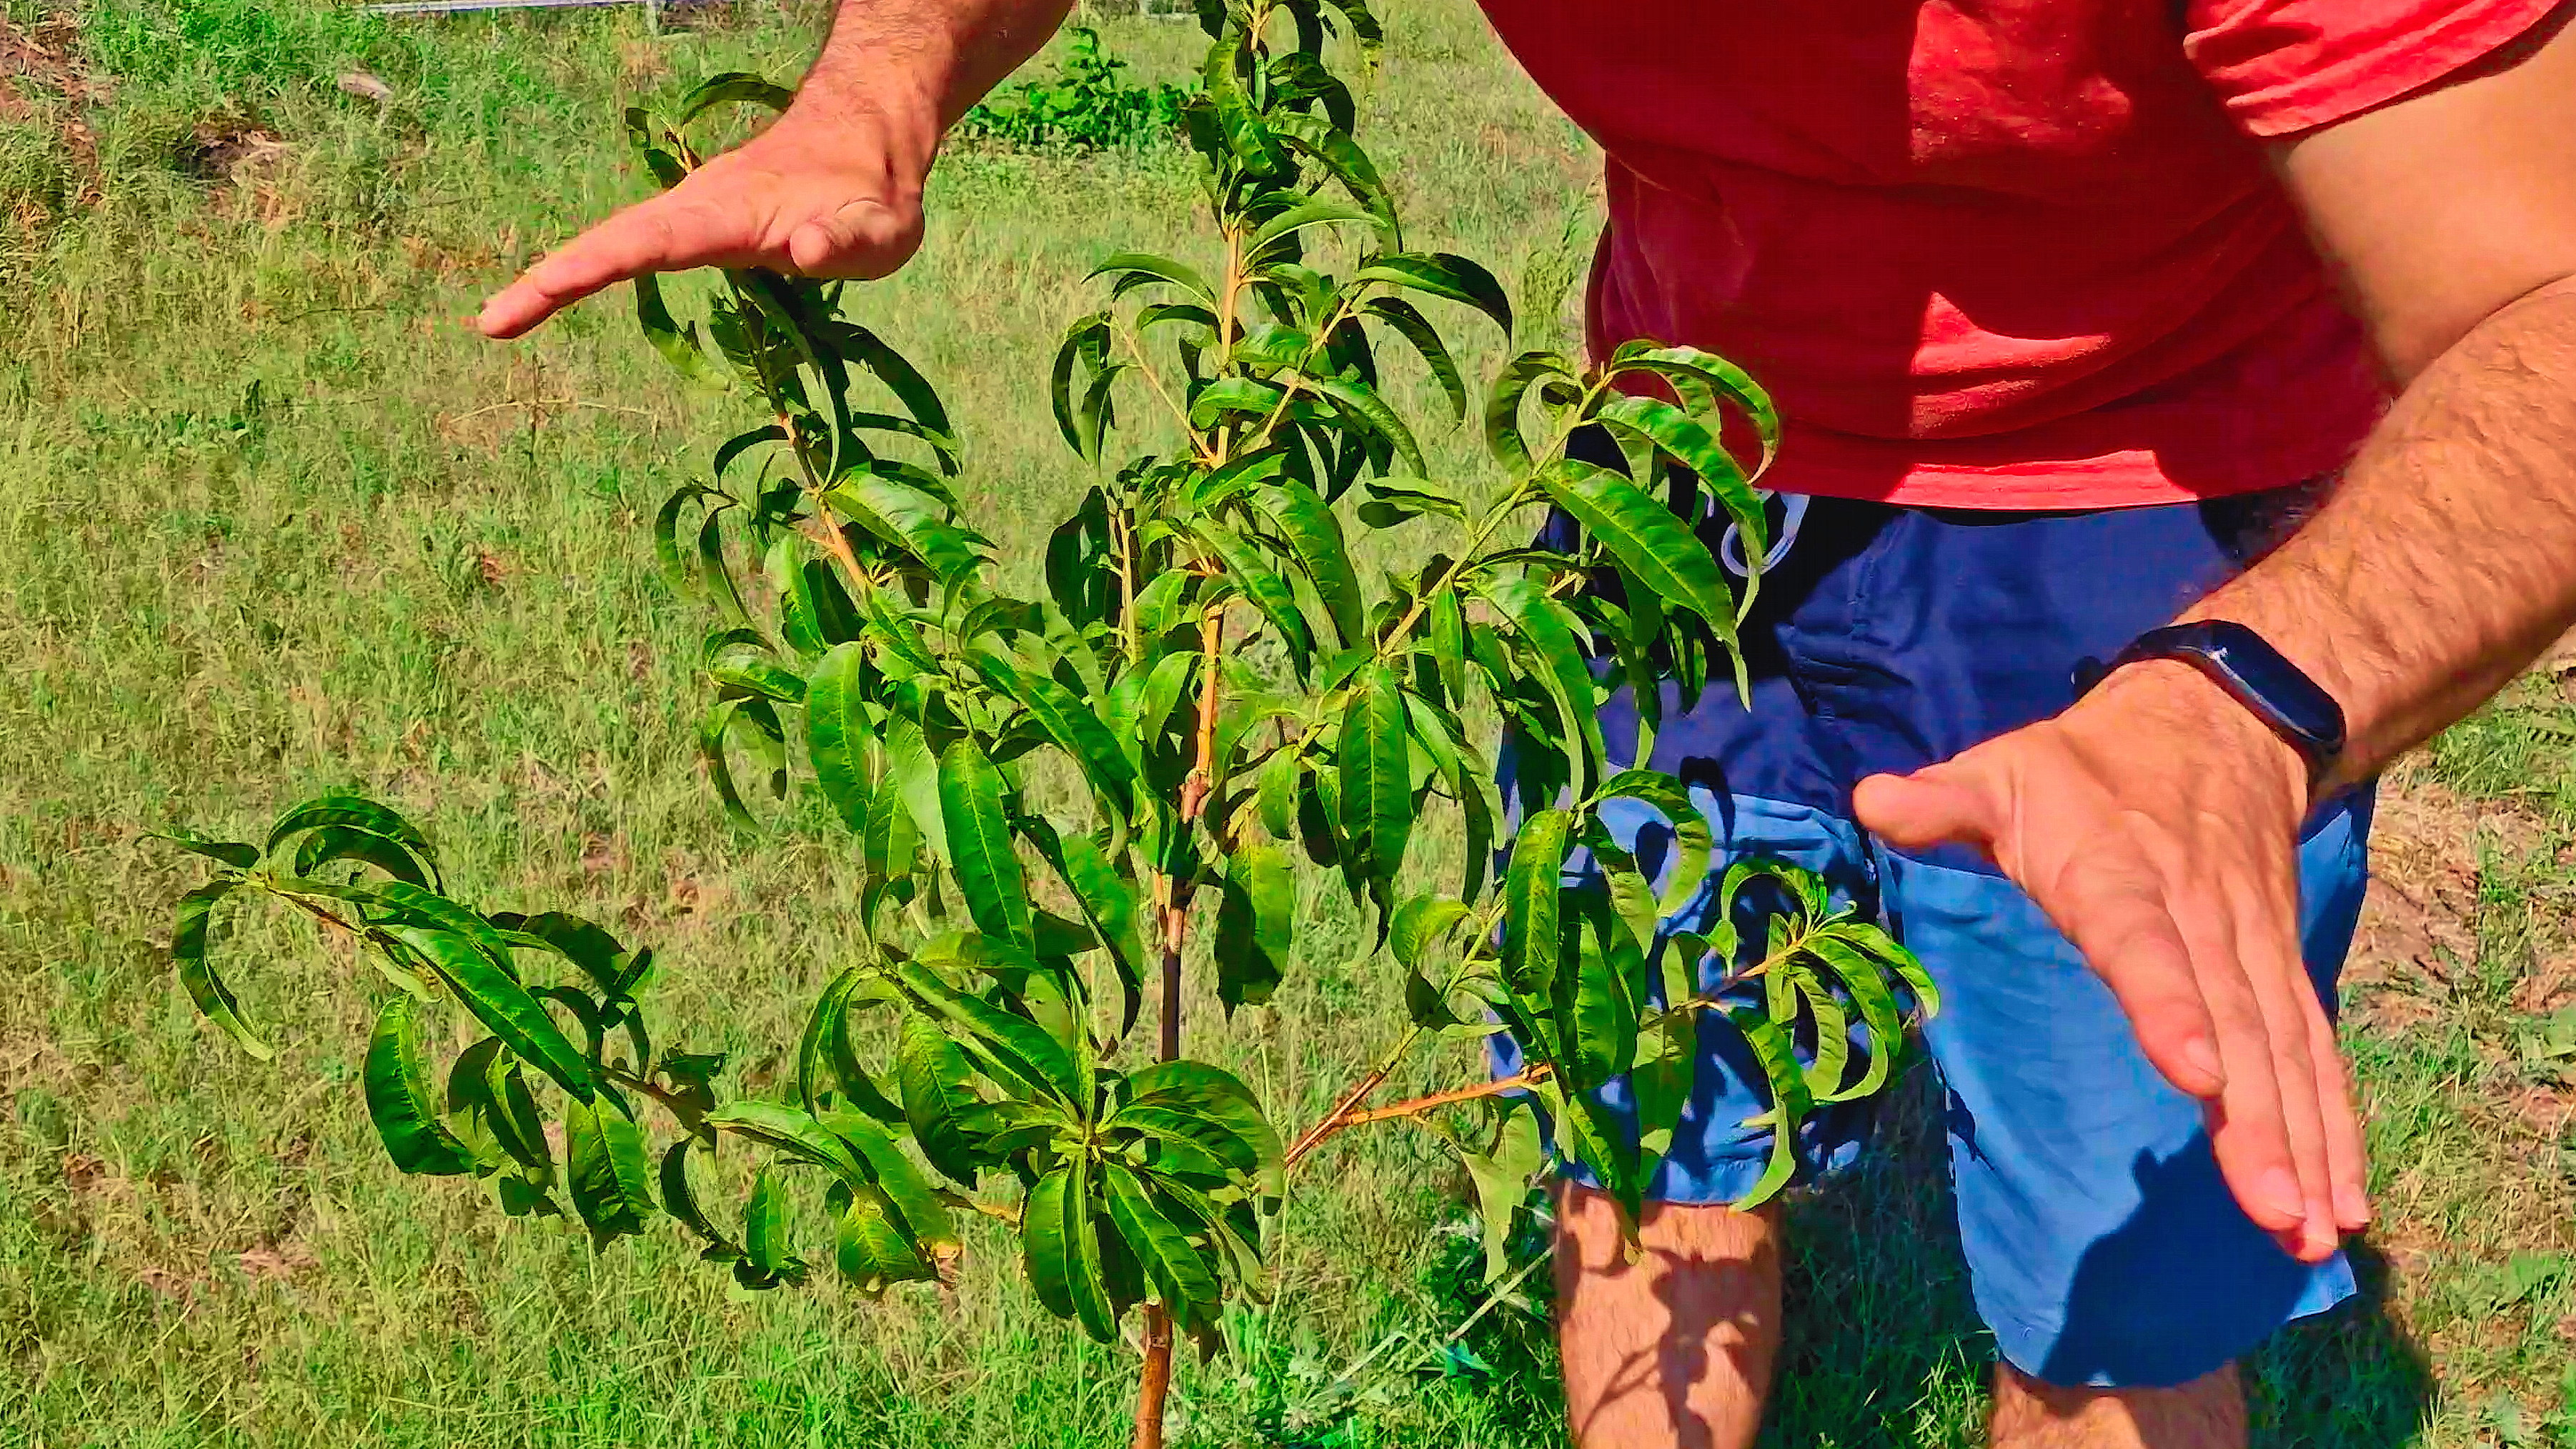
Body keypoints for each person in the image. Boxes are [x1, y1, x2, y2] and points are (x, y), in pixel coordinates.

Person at [475, 2, 2576, 1444]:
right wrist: (883, 87)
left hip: (2149, 529)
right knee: (1649, 1135)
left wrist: (2243, 699)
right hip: (1662, 463)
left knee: (2113, 1313)